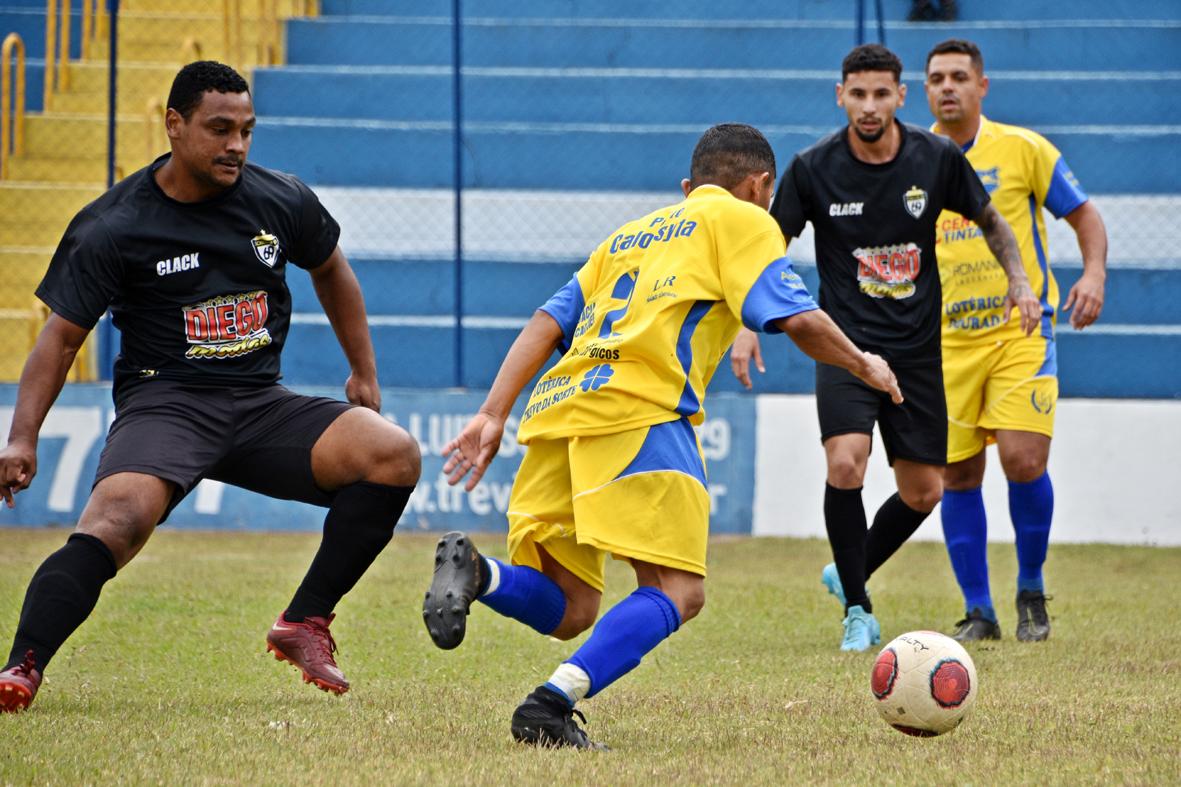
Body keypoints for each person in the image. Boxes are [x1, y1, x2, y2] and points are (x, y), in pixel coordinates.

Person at [421, 123, 901, 749]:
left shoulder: (628, 234)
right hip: (638, 411)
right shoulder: (743, 220)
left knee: (571, 609)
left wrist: (492, 413)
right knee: (677, 590)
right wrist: (864, 363)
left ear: (688, 187)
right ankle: (549, 705)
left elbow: (547, 321)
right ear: (760, 187)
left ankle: (479, 574)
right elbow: (796, 319)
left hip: (558, 415)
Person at [0, 61, 421, 713]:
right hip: (165, 404)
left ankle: (304, 620)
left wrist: (362, 369)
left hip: (259, 403)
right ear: (174, 125)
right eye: (220, 128)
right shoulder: (115, 223)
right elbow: (59, 340)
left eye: (247, 131)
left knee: (392, 453)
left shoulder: (279, 199)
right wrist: (22, 438)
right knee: (117, 519)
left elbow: (332, 268)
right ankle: (22, 665)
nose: (236, 145)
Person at [729, 44, 1041, 652]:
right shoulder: (814, 167)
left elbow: (991, 220)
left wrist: (1020, 280)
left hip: (918, 352)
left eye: (880, 94)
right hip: (845, 346)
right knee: (846, 462)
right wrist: (749, 319)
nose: (868, 106)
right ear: (839, 95)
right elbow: (768, 241)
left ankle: (849, 566)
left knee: (926, 491)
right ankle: (858, 608)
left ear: (901, 97)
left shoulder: (937, 157)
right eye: (857, 93)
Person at [925, 39, 1107, 642]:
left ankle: (1031, 589)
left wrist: (1094, 273)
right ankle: (980, 610)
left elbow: (1083, 215)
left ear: (982, 86)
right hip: (945, 343)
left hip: (1020, 331)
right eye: (936, 79)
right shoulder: (914, 157)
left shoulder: (1024, 149)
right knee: (957, 475)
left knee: (1023, 458)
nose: (947, 87)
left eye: (958, 77)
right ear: (923, 91)